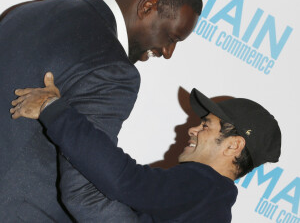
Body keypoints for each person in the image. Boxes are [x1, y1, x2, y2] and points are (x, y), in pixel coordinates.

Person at [0, 0, 202, 222]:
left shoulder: (37, 9)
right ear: (148, 5)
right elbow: (83, 193)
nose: (168, 52)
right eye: (172, 37)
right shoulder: (114, 70)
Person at [11, 72, 281, 223]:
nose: (192, 129)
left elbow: (123, 180)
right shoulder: (214, 207)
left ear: (234, 145)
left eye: (206, 126)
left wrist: (53, 109)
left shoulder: (203, 187)